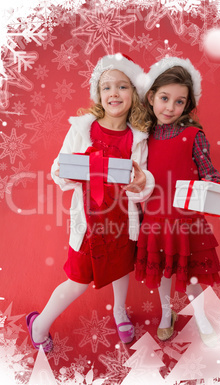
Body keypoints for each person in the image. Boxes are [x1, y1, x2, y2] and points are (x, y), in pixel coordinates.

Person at [26, 53, 155, 351]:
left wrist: (140, 183)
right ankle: (40, 325)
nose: (114, 93)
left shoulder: (137, 138)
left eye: (122, 87)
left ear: (134, 94)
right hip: (90, 222)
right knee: (79, 279)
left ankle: (119, 311)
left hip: (123, 220)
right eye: (107, 87)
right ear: (98, 93)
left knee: (122, 266)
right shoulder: (83, 128)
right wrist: (67, 170)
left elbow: (143, 179)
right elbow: (60, 169)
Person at [135, 57, 220, 343]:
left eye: (179, 102)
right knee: (162, 274)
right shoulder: (144, 137)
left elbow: (209, 172)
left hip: (186, 220)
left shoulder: (192, 135)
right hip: (155, 218)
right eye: (164, 98)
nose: (170, 108)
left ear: (187, 105)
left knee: (191, 279)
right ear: (151, 97)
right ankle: (165, 313)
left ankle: (199, 316)